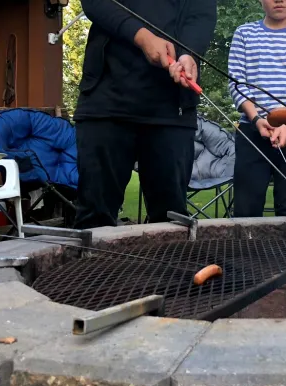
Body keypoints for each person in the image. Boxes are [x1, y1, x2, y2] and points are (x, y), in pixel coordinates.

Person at [72, 0, 217, 229]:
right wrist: (142, 36)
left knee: (172, 221)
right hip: (106, 100)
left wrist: (189, 54)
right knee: (94, 219)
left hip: (172, 105)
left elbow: (202, 14)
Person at [228, 0, 286, 217]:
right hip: (252, 130)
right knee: (246, 208)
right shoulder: (244, 33)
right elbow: (236, 83)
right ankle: (246, 251)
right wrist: (256, 119)